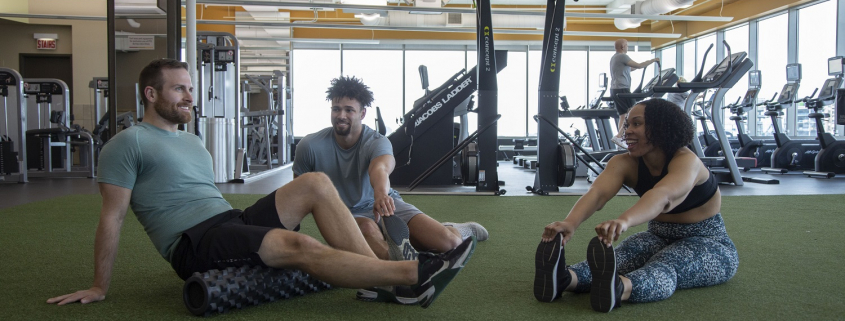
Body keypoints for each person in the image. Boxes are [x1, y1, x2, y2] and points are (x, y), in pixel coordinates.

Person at [46, 58, 476, 310]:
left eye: (190, 89)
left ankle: (378, 280)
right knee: (301, 248)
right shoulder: (126, 144)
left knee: (314, 183)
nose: (190, 97)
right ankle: (410, 274)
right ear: (150, 95)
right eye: (179, 90)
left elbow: (380, 166)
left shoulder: (192, 141)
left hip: (228, 221)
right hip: (193, 244)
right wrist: (99, 285)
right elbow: (112, 216)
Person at [533, 98, 738, 313]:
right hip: (657, 236)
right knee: (622, 256)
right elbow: (598, 194)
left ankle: (620, 288)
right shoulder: (624, 163)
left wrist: (624, 220)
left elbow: (663, 196)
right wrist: (570, 223)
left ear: (661, 127)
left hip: (709, 243)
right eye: (626, 124)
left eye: (636, 124)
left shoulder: (687, 161)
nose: (626, 131)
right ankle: (566, 279)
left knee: (666, 264)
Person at [609, 39, 660, 149]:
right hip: (623, 88)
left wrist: (640, 66)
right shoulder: (622, 56)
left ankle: (620, 139)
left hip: (614, 89)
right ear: (622, 46)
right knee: (630, 113)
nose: (628, 47)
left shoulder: (614, 57)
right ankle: (619, 136)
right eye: (627, 45)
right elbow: (638, 65)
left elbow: (630, 68)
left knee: (623, 114)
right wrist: (653, 60)